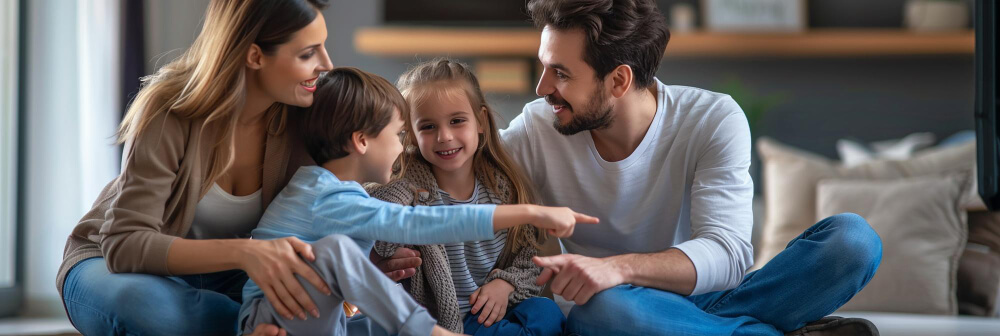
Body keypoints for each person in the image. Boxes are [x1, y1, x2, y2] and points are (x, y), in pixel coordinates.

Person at [379, 0, 884, 334]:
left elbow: (729, 254)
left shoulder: (712, 118)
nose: (540, 89)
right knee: (608, 308)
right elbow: (457, 173)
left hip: (700, 303)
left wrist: (614, 268)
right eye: (542, 66)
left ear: (618, 81)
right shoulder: (539, 128)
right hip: (625, 316)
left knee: (852, 241)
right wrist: (379, 243)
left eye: (560, 73)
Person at [238, 67, 596, 336]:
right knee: (336, 254)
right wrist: (531, 211)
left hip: (299, 313)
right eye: (400, 134)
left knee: (545, 314)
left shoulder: (329, 190)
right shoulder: (330, 197)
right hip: (270, 318)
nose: (402, 147)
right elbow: (419, 225)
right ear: (362, 141)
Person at [58, 0, 341, 335]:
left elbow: (343, 196)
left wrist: (370, 258)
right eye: (308, 54)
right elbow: (125, 244)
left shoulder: (304, 113)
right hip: (110, 263)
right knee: (151, 308)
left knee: (329, 308)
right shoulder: (170, 110)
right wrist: (246, 252)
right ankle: (248, 324)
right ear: (255, 56)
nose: (326, 64)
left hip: (229, 275)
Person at [368, 59, 565, 335]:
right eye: (428, 127)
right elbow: (380, 238)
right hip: (443, 323)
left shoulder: (502, 187)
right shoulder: (407, 188)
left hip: (492, 309)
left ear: (481, 121)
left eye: (457, 121)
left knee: (547, 313)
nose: (445, 136)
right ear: (410, 134)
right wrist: (404, 189)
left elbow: (528, 254)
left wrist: (506, 284)